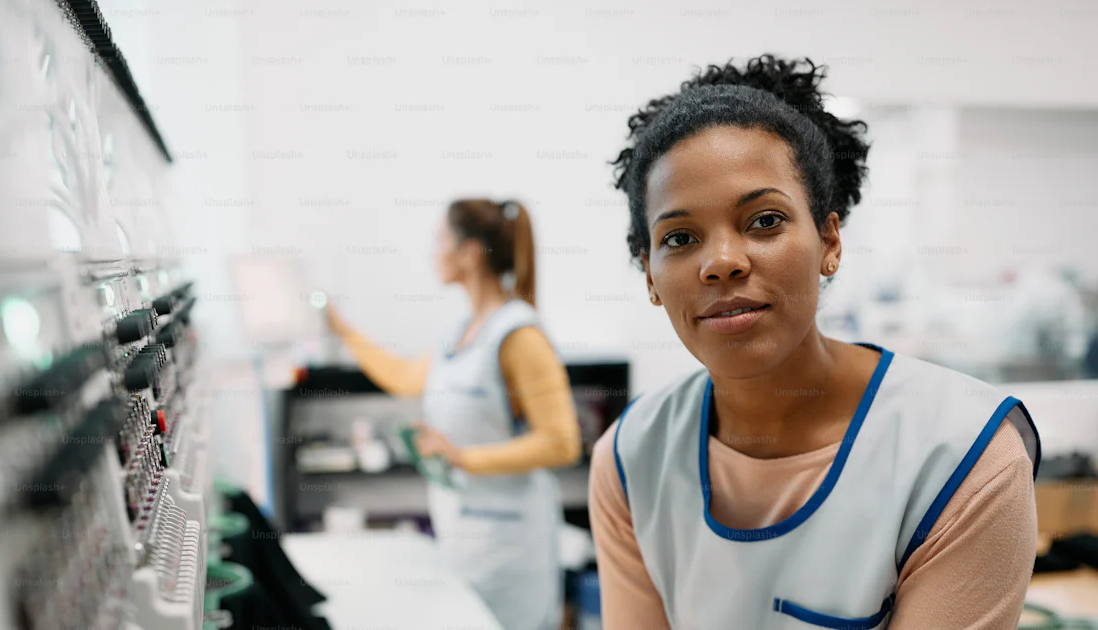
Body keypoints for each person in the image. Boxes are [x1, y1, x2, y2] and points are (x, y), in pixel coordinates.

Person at [589, 55, 1041, 629]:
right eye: (679, 237)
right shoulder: (632, 458)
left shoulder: (963, 456)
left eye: (764, 221)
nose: (722, 262)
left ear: (829, 238)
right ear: (650, 275)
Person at [324, 198, 581, 630]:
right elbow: (404, 377)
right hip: (465, 539)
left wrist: (462, 457)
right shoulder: (459, 332)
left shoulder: (519, 334)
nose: (433, 251)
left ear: (470, 253)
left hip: (511, 548)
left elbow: (561, 442)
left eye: (439, 239)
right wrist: (343, 330)